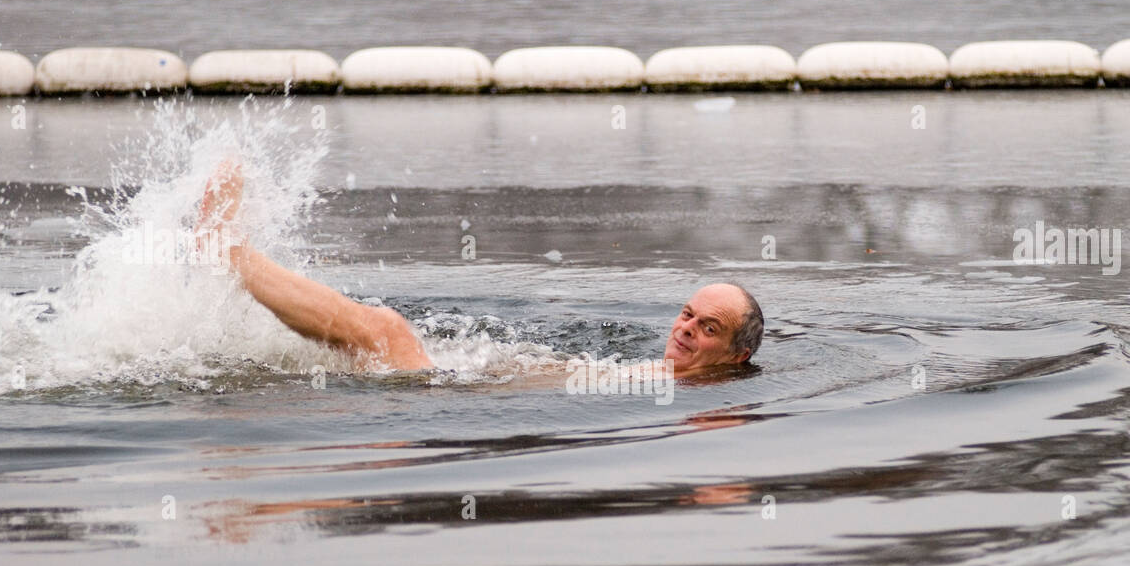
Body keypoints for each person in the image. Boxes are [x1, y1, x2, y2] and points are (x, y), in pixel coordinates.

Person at [196, 161, 764, 376]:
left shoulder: (694, 397)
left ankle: (232, 252)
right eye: (688, 314)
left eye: (708, 327)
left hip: (459, 397)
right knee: (365, 340)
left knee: (385, 329)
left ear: (738, 354)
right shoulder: (668, 378)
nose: (686, 328)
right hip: (469, 378)